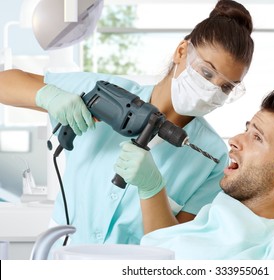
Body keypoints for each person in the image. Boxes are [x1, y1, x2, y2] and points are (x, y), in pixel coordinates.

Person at [0, 0, 254, 246]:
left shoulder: (212, 158)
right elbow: (5, 82)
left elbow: (175, 246)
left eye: (225, 87)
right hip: (60, 254)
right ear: (181, 52)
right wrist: (49, 96)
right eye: (206, 72)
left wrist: (152, 188)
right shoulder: (106, 93)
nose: (211, 90)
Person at [114, 88, 274, 259]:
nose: (234, 141)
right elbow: (162, 248)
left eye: (257, 137)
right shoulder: (222, 220)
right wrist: (151, 188)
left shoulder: (248, 248)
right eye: (246, 129)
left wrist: (152, 187)